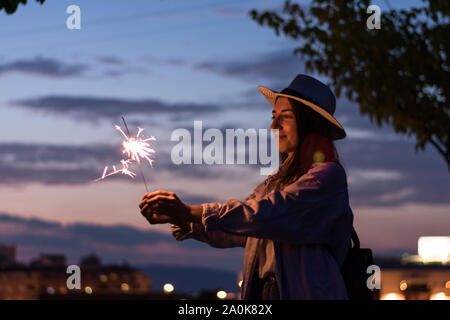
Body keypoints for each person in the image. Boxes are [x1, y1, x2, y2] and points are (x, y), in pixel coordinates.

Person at [139, 74, 354, 300]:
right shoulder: (275, 183)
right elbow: (241, 228)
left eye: (286, 116)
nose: (274, 125)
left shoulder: (328, 177)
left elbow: (264, 215)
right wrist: (183, 219)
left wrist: (190, 212)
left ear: (311, 123)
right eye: (273, 116)